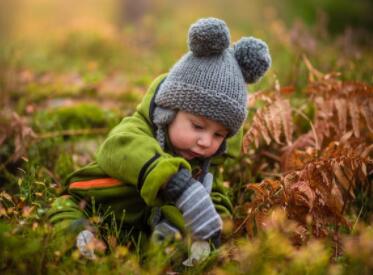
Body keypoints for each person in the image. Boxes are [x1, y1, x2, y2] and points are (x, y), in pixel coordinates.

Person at [47, 17, 271, 259]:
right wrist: (175, 182)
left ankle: (162, 256)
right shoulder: (137, 130)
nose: (206, 141)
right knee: (67, 218)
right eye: (197, 126)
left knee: (180, 245)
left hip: (136, 233)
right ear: (168, 112)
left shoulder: (204, 164)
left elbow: (215, 195)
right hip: (88, 203)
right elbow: (119, 148)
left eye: (219, 134)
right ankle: (80, 244)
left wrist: (213, 223)